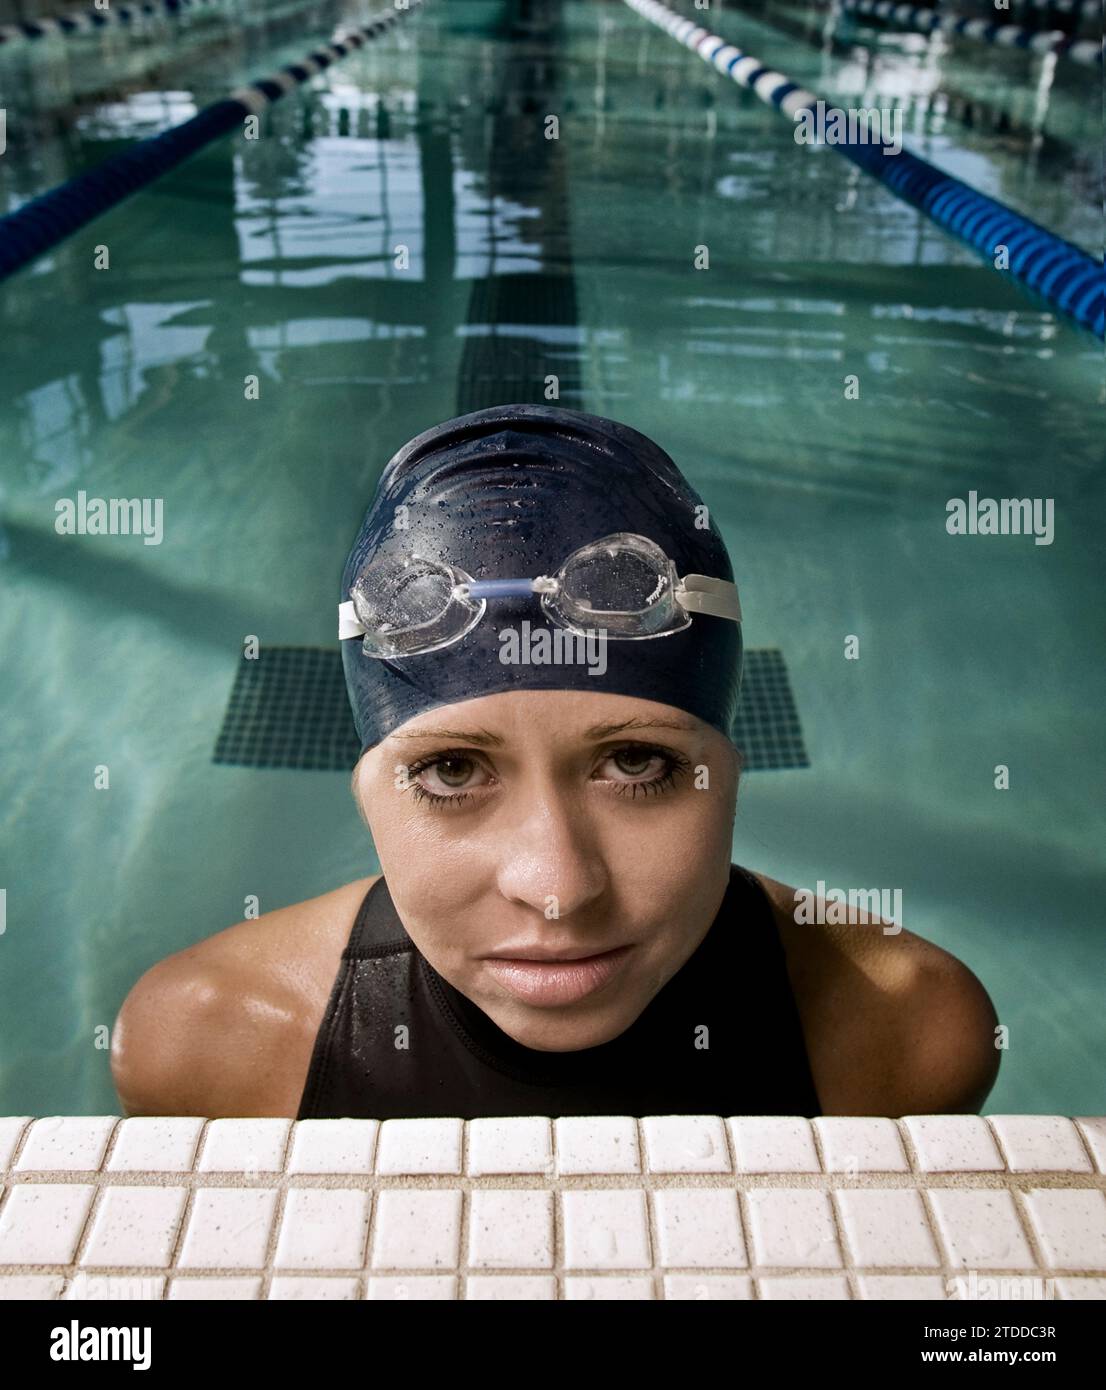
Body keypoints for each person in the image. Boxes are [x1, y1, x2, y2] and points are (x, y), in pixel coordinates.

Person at [111, 404, 1000, 1120]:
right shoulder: (205, 1040)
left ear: (729, 772)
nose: (558, 889)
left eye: (637, 763)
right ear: (370, 795)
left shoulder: (911, 1029)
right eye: (452, 772)